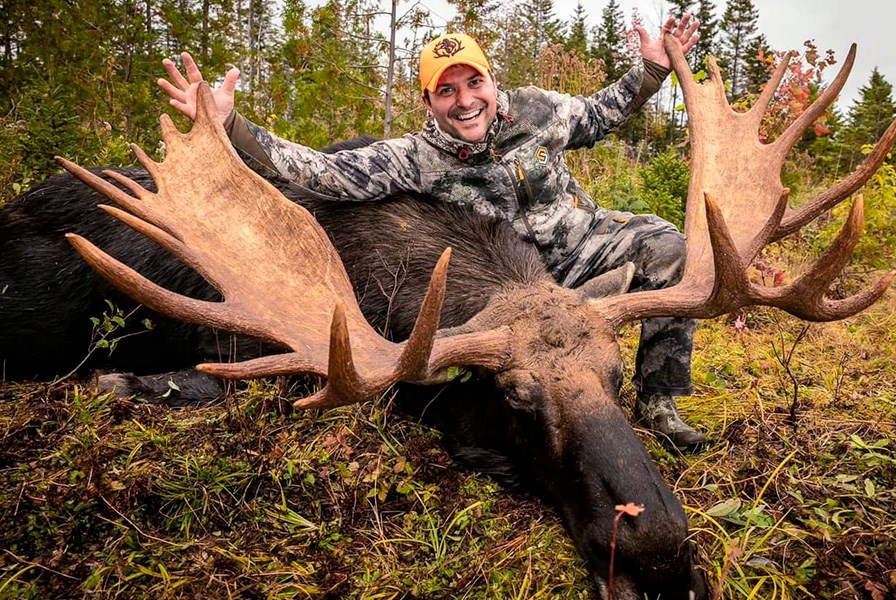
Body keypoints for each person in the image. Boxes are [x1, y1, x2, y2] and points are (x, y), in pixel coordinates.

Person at [158, 15, 706, 450]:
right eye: (447, 92)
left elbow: (601, 115)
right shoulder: (415, 158)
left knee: (665, 248)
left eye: (474, 82)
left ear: (492, 79)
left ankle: (659, 401)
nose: (465, 100)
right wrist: (232, 125)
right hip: (501, 280)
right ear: (428, 102)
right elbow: (321, 173)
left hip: (581, 251)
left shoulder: (540, 110)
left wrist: (652, 71)